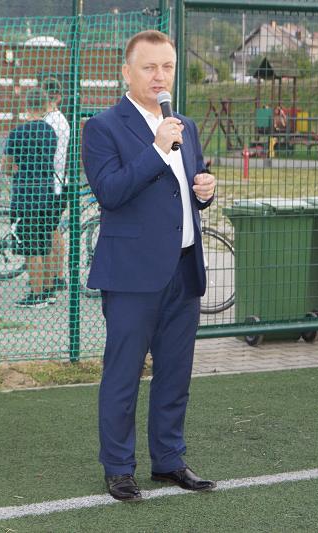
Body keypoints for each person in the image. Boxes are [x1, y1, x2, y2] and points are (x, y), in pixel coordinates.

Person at [81, 30, 217, 501]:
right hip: (132, 275)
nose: (160, 76)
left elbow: (186, 188)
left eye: (167, 67)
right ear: (127, 72)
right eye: (149, 67)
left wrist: (205, 191)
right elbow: (111, 192)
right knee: (123, 375)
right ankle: (119, 467)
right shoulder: (102, 127)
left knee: (175, 374)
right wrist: (157, 149)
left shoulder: (184, 125)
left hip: (183, 269)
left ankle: (169, 460)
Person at [2, 87, 58, 308]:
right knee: (45, 245)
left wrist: (14, 169)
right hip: (47, 193)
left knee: (31, 248)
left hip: (25, 195)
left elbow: (6, 166)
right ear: (45, 105)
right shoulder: (50, 132)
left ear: (26, 105)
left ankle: (36, 295)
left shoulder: (17, 133)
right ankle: (48, 289)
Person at [41, 78, 71, 294]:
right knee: (53, 230)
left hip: (53, 183)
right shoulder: (56, 119)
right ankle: (57, 275)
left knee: (48, 232)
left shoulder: (52, 121)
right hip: (58, 181)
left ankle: (51, 278)